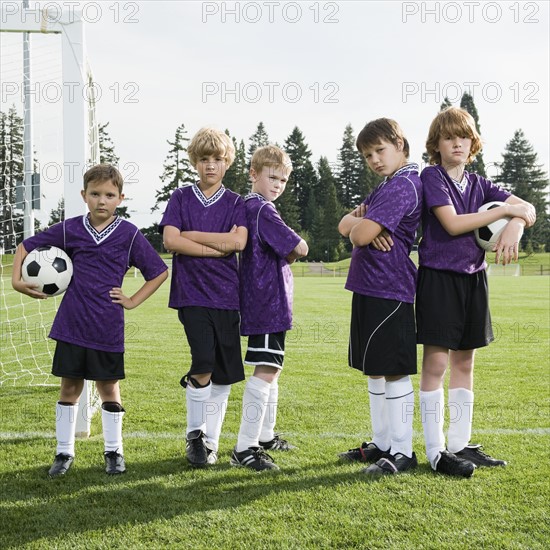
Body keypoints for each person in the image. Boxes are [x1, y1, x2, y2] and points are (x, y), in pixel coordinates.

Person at [11, 164, 169, 477]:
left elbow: (159, 271)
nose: (101, 200)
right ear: (84, 195)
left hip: (106, 327)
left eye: (109, 195)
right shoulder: (71, 230)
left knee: (109, 388)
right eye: (95, 193)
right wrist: (18, 281)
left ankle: (114, 451)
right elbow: (24, 246)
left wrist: (132, 300)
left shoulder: (129, 234)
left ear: (120, 198)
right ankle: (63, 452)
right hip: (72, 325)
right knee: (69, 388)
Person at [417, 106, 536, 477]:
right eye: (449, 136)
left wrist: (515, 224)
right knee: (436, 364)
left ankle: (461, 443)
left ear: (473, 143)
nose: (456, 142)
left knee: (465, 362)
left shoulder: (481, 184)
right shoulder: (432, 176)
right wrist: (503, 211)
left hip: (474, 278)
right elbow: (452, 224)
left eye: (463, 136)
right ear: (436, 144)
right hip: (439, 278)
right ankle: (437, 451)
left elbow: (529, 208)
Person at [337, 118, 422, 476]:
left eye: (380, 150)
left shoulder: (404, 184)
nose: (374, 159)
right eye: (367, 154)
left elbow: (356, 234)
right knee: (374, 370)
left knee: (393, 369)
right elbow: (345, 225)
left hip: (391, 287)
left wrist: (365, 226)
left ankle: (402, 451)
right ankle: (383, 443)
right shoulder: (387, 185)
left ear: (400, 144)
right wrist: (365, 225)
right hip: (369, 285)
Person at [160, 127, 248, 467]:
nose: (210, 165)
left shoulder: (236, 202)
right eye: (204, 159)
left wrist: (192, 237)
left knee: (224, 371)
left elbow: (238, 243)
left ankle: (211, 442)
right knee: (203, 361)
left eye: (217, 159)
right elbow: (171, 240)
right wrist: (214, 248)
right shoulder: (181, 197)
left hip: (227, 295)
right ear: (195, 162)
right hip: (192, 294)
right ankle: (195, 435)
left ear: (227, 163)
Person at [231, 145, 308, 471]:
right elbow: (299, 247)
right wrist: (292, 250)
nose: (277, 184)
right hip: (266, 302)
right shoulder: (263, 209)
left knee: (272, 367)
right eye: (272, 177)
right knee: (266, 369)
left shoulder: (249, 207)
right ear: (253, 174)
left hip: (267, 302)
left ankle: (264, 435)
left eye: (283, 180)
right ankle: (245, 447)